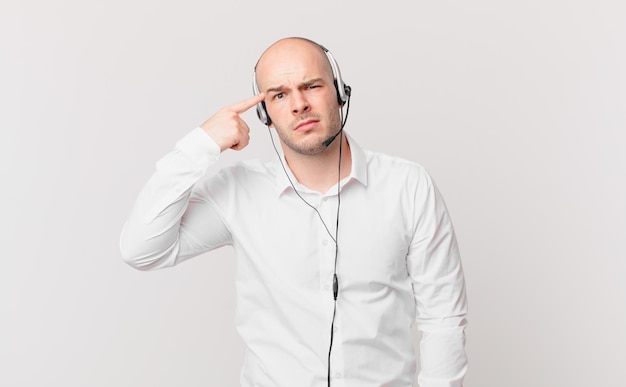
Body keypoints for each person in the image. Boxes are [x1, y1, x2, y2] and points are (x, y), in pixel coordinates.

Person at [120, 37, 468, 387]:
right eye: (279, 95)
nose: (299, 104)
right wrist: (203, 143)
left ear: (339, 91)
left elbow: (443, 318)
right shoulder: (238, 191)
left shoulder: (407, 185)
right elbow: (141, 250)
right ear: (264, 114)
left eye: (311, 86)